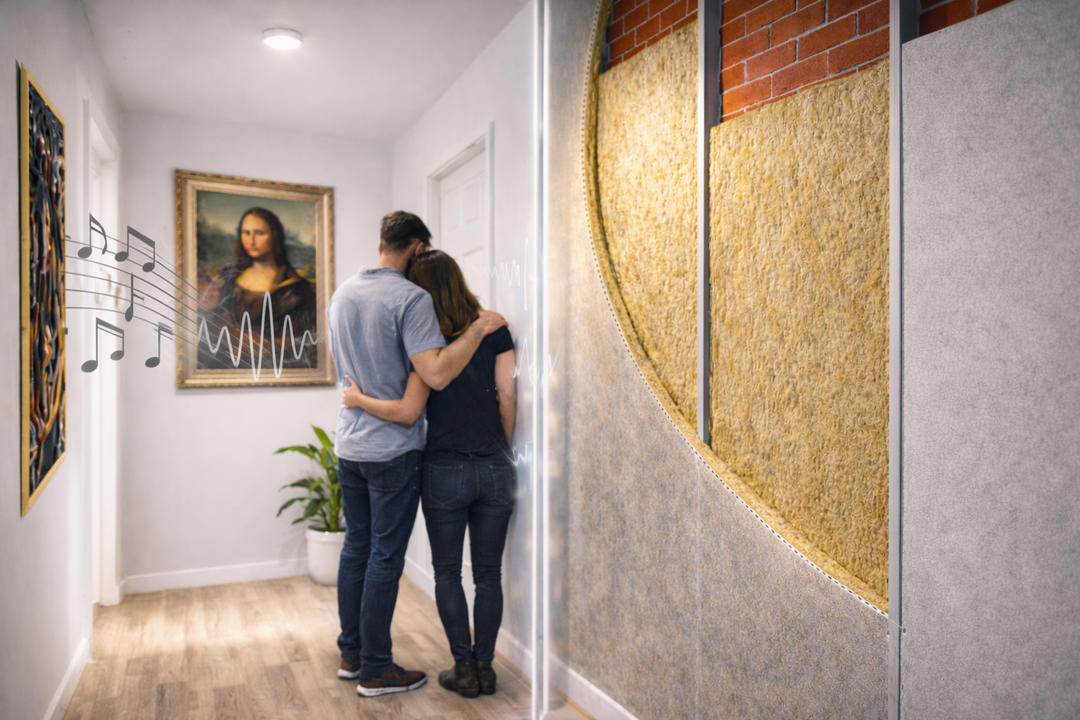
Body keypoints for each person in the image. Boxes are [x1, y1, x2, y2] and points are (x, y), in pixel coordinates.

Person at [327, 212, 507, 698]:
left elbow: (349, 369)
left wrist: (360, 401)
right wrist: (477, 330)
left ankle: (351, 653)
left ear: (382, 241)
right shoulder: (411, 298)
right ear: (418, 248)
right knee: (385, 557)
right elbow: (435, 377)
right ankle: (376, 668)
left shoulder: (342, 294)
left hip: (350, 444)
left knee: (356, 548)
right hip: (393, 450)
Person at [200, 207, 317, 369]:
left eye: (260, 233)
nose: (251, 240)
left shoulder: (296, 290)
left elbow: (308, 341)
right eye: (246, 233)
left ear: (275, 237)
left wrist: (268, 346)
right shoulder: (229, 280)